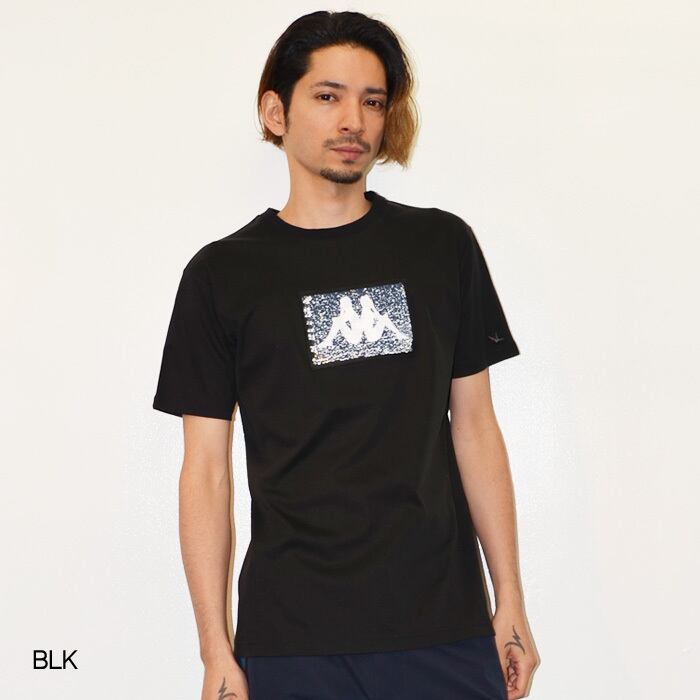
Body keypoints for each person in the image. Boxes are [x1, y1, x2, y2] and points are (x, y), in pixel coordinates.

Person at [152, 9, 540, 700]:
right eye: (328, 96)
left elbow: (476, 426)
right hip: (291, 639)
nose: (353, 121)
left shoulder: (441, 247)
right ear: (276, 111)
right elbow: (205, 470)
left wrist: (508, 596)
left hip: (442, 628)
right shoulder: (221, 276)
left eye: (372, 101)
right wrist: (215, 648)